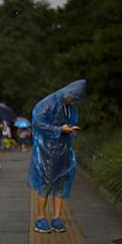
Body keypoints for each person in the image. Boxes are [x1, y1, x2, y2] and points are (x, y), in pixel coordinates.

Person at [27, 79, 87, 233]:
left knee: (60, 184)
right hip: (46, 152)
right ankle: (40, 219)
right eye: (73, 99)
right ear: (68, 93)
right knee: (46, 185)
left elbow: (64, 124)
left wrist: (69, 129)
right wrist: (60, 129)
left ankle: (56, 218)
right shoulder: (48, 103)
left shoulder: (67, 106)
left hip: (63, 150)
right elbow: (38, 122)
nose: (74, 102)